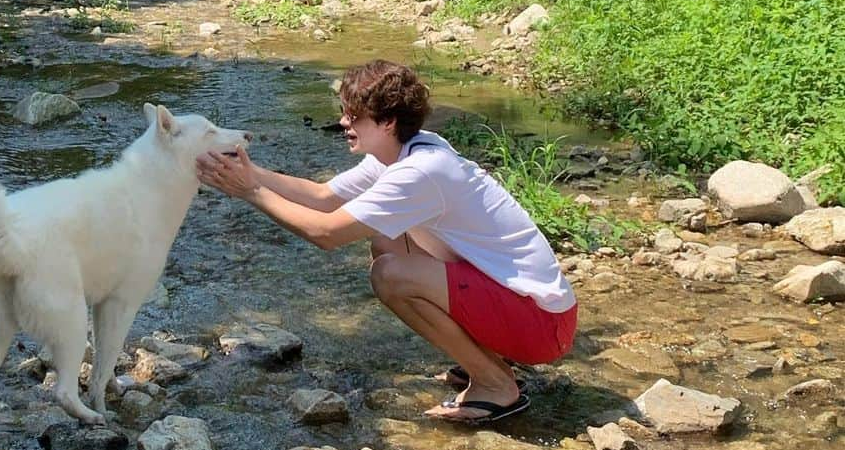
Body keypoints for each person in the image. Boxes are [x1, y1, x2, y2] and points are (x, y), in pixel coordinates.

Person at [196, 59, 577, 425]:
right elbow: (323, 196)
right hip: (531, 309)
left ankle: (496, 384)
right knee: (386, 243)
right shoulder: (406, 151)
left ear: (388, 121)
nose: (344, 122)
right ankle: (489, 360)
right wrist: (246, 171)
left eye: (354, 115)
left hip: (540, 325)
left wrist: (251, 193)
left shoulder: (419, 172)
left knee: (390, 274)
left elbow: (325, 232)